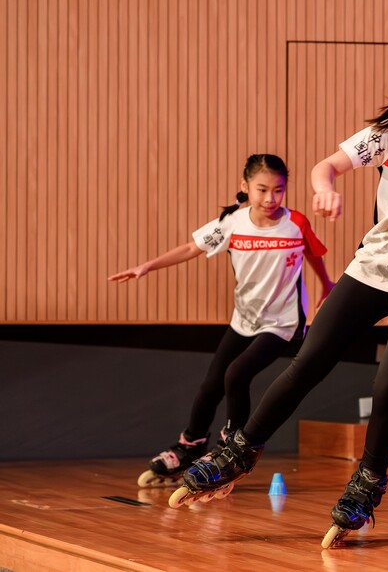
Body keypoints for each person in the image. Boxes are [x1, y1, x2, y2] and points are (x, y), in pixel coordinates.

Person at [177, 48, 388, 542]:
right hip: (371, 271)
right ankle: (238, 452)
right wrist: (324, 188)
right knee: (307, 365)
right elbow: (325, 166)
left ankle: (365, 488)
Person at [108, 154, 334, 487]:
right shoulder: (233, 223)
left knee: (237, 373)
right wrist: (147, 266)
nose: (270, 199)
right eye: (262, 190)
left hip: (282, 323)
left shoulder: (296, 223)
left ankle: (232, 449)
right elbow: (190, 248)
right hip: (243, 320)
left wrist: (327, 283)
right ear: (245, 187)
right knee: (210, 385)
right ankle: (190, 445)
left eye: (278, 190)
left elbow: (311, 252)